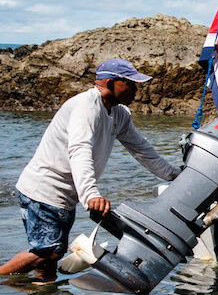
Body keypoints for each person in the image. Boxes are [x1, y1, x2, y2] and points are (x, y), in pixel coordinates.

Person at [1, 58, 181, 282]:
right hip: (43, 189)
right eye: (130, 84)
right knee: (49, 252)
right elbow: (79, 150)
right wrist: (90, 195)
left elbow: (142, 150)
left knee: (48, 261)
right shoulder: (85, 107)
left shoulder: (119, 114)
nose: (136, 90)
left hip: (65, 196)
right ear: (110, 83)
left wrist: (175, 176)